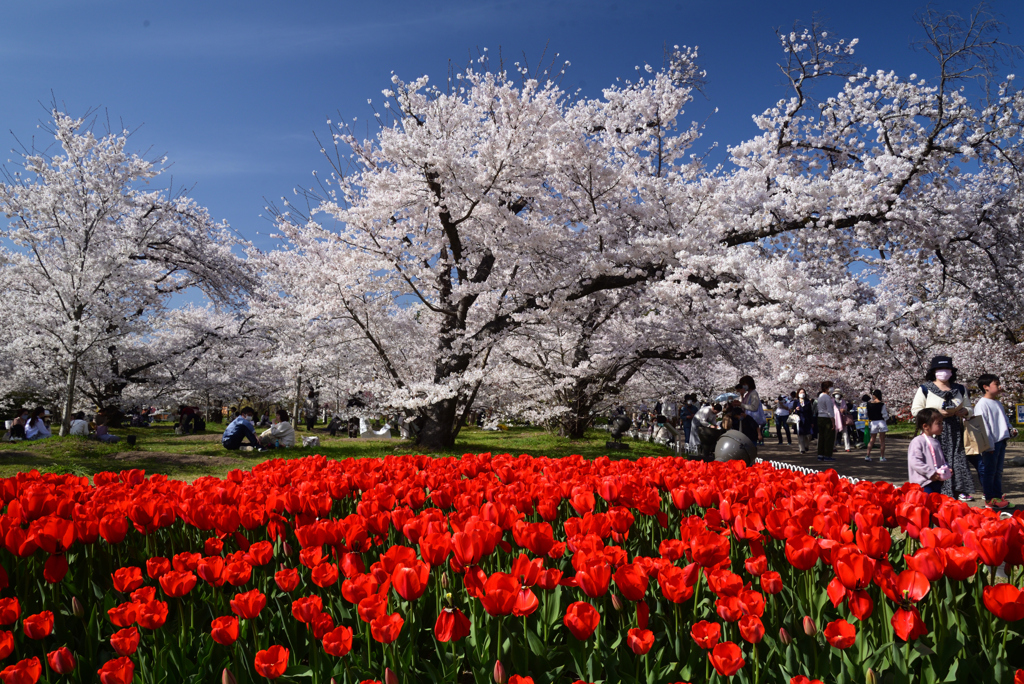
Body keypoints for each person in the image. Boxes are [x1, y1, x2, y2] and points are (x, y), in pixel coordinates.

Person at [910, 356, 974, 501]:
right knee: (936, 461)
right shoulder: (925, 389)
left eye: (947, 369)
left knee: (957, 464)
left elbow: (969, 408)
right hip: (934, 433)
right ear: (934, 372)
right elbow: (916, 411)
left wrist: (964, 412)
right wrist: (937, 415)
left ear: (952, 371)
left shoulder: (960, 389)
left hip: (956, 432)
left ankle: (957, 495)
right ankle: (939, 497)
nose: (944, 372)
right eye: (939, 369)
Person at [974, 374, 1017, 510]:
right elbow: (983, 427)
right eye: (996, 384)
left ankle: (998, 497)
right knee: (990, 471)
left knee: (997, 471)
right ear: (985, 387)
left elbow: (1004, 421)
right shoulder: (982, 404)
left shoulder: (997, 402)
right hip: (991, 444)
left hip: (1001, 441)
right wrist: (989, 445)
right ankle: (990, 499)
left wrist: (1011, 430)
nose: (999, 387)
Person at [908, 408, 951, 494]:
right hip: (923, 483)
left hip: (936, 481)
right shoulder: (917, 441)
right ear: (925, 426)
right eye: (938, 423)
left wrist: (946, 468)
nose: (942, 426)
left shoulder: (936, 441)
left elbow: (941, 460)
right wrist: (930, 473)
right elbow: (915, 461)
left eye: (941, 423)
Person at [737, 376, 764, 445]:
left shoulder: (754, 393)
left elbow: (754, 407)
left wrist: (741, 404)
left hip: (751, 421)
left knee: (751, 442)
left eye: (744, 384)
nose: (743, 386)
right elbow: (744, 406)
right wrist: (742, 396)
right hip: (747, 420)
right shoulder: (748, 394)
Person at [864, 390, 889, 462]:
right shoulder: (882, 404)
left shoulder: (868, 404)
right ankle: (882, 457)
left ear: (874, 396)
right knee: (882, 440)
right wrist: (886, 419)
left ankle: (868, 455)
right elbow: (884, 414)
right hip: (881, 422)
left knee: (872, 440)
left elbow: (866, 413)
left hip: (873, 423)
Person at [816, 381, 838, 462]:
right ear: (826, 388)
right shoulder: (827, 398)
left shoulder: (820, 396)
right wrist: (833, 421)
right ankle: (827, 455)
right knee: (829, 437)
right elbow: (829, 410)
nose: (832, 389)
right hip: (827, 418)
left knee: (821, 437)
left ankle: (820, 454)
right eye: (830, 387)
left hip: (820, 417)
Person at [795, 389, 815, 454]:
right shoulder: (796, 402)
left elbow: (810, 412)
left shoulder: (808, 402)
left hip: (807, 419)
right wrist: (796, 410)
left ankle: (806, 445)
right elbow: (792, 411)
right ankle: (802, 449)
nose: (802, 393)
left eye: (803, 392)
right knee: (800, 435)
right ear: (798, 393)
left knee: (808, 435)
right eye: (800, 392)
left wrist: (812, 422)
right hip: (799, 419)